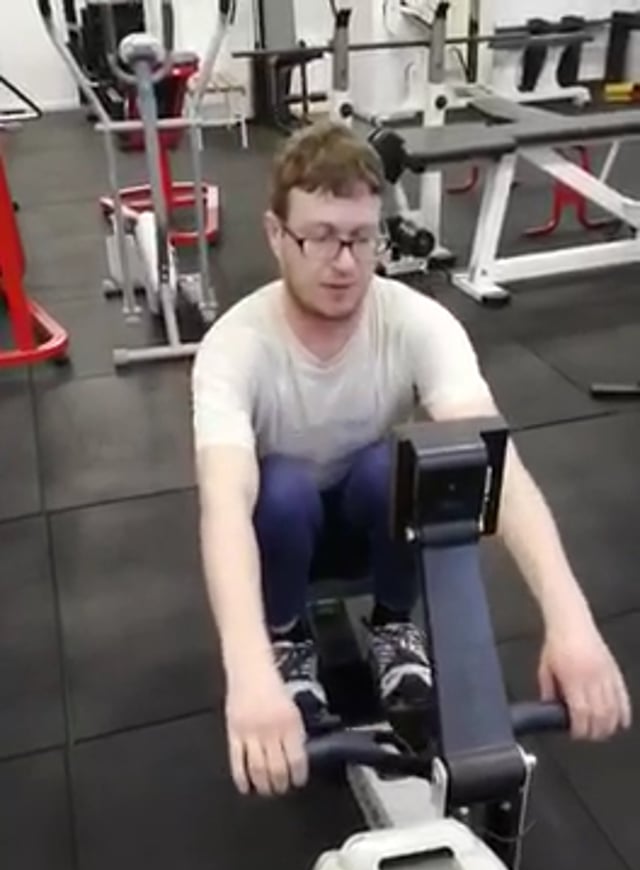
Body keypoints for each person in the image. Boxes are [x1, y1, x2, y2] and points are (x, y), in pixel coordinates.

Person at [192, 120, 632, 797]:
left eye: (361, 238)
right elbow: (224, 503)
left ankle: (395, 624)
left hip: (375, 525)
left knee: (404, 464)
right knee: (280, 489)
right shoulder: (236, 345)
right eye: (320, 237)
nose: (344, 262)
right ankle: (285, 637)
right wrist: (247, 672)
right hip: (282, 537)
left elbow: (498, 469)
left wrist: (571, 622)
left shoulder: (416, 321)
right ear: (277, 235)